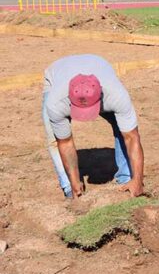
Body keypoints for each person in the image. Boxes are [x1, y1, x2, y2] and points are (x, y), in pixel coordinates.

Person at [42, 54, 145, 199]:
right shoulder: (56, 102)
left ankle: (127, 179)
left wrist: (138, 180)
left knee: (123, 129)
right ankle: (70, 190)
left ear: (100, 96)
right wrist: (74, 182)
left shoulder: (116, 95)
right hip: (56, 75)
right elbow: (65, 142)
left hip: (99, 65)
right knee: (54, 138)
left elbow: (132, 137)